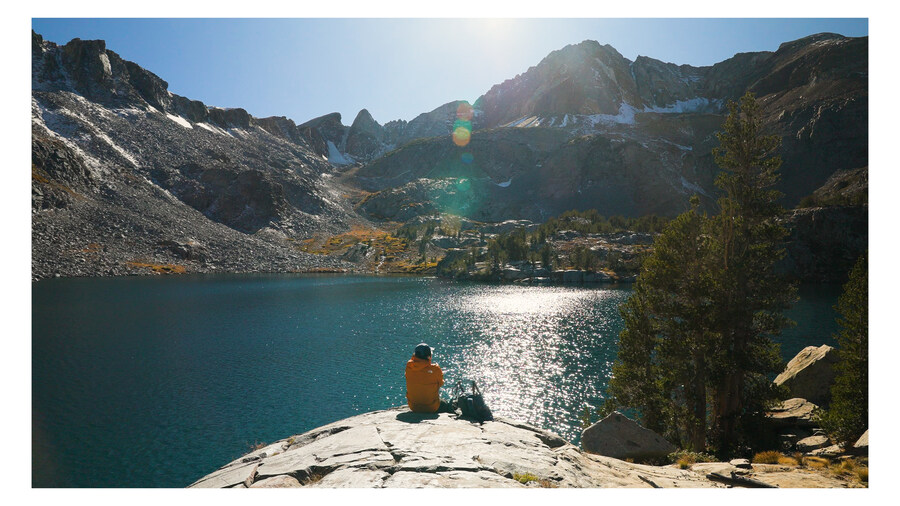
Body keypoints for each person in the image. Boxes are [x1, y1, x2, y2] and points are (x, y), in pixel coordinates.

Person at [405, 343, 455, 413]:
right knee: (446, 404)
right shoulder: (435, 369)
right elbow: (441, 383)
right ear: (429, 357)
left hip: (413, 407)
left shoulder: (409, 367)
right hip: (432, 407)